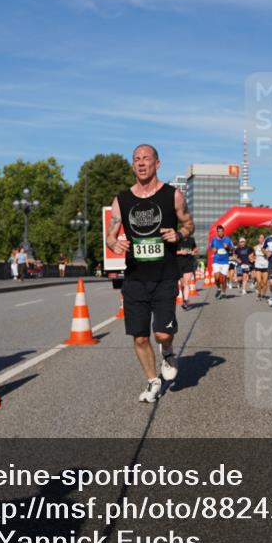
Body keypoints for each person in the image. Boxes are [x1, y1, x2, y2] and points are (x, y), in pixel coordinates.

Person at [106, 144, 194, 403]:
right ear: (133, 165)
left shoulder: (173, 196)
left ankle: (167, 351)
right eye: (137, 159)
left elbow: (189, 224)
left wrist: (178, 234)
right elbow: (110, 235)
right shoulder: (122, 200)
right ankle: (152, 381)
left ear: (157, 163)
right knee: (140, 337)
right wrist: (114, 243)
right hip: (135, 277)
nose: (141, 163)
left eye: (146, 158)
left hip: (165, 275)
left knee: (162, 333)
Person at [208, 225, 233, 299]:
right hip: (217, 260)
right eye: (219, 231)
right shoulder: (214, 240)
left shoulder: (227, 239)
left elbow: (232, 249)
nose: (220, 233)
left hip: (225, 261)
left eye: (222, 231)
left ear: (223, 232)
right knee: (217, 277)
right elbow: (210, 247)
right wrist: (213, 249)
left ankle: (223, 292)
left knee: (224, 278)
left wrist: (228, 247)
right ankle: (219, 288)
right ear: (217, 232)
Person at [176, 233, 198, 310]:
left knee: (186, 283)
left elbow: (195, 249)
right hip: (179, 264)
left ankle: (185, 300)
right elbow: (171, 252)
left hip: (189, 263)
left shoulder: (191, 240)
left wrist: (194, 251)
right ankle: (184, 299)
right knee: (182, 284)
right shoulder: (177, 239)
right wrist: (180, 252)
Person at [252, 233, 269, 301]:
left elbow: (268, 255)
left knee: (265, 282)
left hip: (265, 266)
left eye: (263, 238)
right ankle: (259, 294)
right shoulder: (255, 247)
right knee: (259, 281)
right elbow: (252, 255)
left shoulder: (267, 247)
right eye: (260, 238)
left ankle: (263, 294)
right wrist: (252, 258)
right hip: (258, 266)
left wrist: (264, 251)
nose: (262, 239)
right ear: (258, 239)